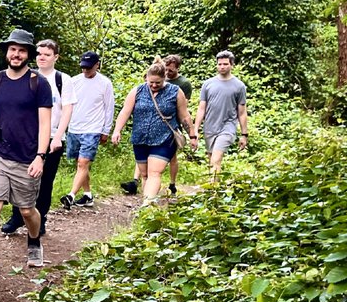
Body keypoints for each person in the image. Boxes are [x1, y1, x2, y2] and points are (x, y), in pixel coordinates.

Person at [0, 29, 54, 280]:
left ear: (28, 54)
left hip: (27, 158)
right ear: (7, 52)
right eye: (12, 49)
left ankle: (34, 240)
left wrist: (40, 155)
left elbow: (45, 122)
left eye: (22, 50)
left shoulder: (38, 83)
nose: (16, 54)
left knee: (27, 211)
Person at [0, 38, 74, 236]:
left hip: (52, 137)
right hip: (27, 138)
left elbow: (67, 110)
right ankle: (17, 216)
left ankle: (40, 217)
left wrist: (58, 136)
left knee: (45, 180)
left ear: (55, 57)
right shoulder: (28, 77)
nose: (42, 58)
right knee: (20, 178)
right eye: (39, 54)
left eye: (47, 54)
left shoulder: (62, 79)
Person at [110, 59, 195, 207]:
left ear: (164, 78)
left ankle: (147, 204)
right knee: (145, 175)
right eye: (151, 83)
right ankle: (149, 207)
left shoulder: (175, 92)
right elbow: (125, 112)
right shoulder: (138, 91)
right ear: (146, 78)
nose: (154, 85)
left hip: (165, 138)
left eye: (158, 83)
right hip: (140, 138)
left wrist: (192, 135)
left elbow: (184, 116)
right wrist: (117, 130)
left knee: (155, 172)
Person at [61, 51, 114, 210]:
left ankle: (71, 195)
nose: (85, 70)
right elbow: (66, 104)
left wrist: (106, 130)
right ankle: (88, 195)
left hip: (93, 128)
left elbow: (109, 107)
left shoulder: (105, 83)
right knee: (80, 164)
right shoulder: (74, 81)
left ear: (97, 65)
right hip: (75, 127)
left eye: (89, 68)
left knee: (83, 162)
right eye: (83, 67)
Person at [192, 50, 248, 174]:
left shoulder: (239, 86)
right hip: (210, 127)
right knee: (211, 159)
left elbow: (242, 112)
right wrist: (195, 130)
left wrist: (244, 135)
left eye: (225, 64)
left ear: (232, 65)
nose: (222, 67)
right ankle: (214, 187)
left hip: (228, 127)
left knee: (216, 159)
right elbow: (202, 108)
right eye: (219, 64)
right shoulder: (207, 84)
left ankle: (213, 191)